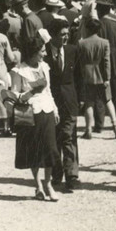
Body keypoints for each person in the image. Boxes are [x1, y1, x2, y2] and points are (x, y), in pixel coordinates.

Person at [8, 37, 60, 201]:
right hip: (30, 112)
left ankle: (48, 183)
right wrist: (31, 92)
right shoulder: (19, 71)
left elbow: (48, 90)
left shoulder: (45, 67)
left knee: (50, 148)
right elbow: (15, 96)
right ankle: (38, 186)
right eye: (42, 51)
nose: (44, 54)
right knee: (34, 149)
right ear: (32, 53)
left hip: (47, 110)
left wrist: (55, 108)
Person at [46, 20, 81, 192]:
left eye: (67, 34)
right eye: (62, 34)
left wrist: (80, 99)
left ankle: (72, 175)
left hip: (69, 101)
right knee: (54, 139)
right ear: (52, 35)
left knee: (68, 136)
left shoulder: (73, 50)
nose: (66, 37)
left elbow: (79, 76)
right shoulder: (43, 51)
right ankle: (56, 173)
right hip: (50, 101)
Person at [76, 17, 116, 139]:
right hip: (101, 75)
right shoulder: (104, 42)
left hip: (87, 75)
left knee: (89, 103)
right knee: (108, 100)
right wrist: (107, 78)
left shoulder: (81, 43)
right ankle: (115, 126)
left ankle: (88, 129)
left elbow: (79, 62)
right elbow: (106, 62)